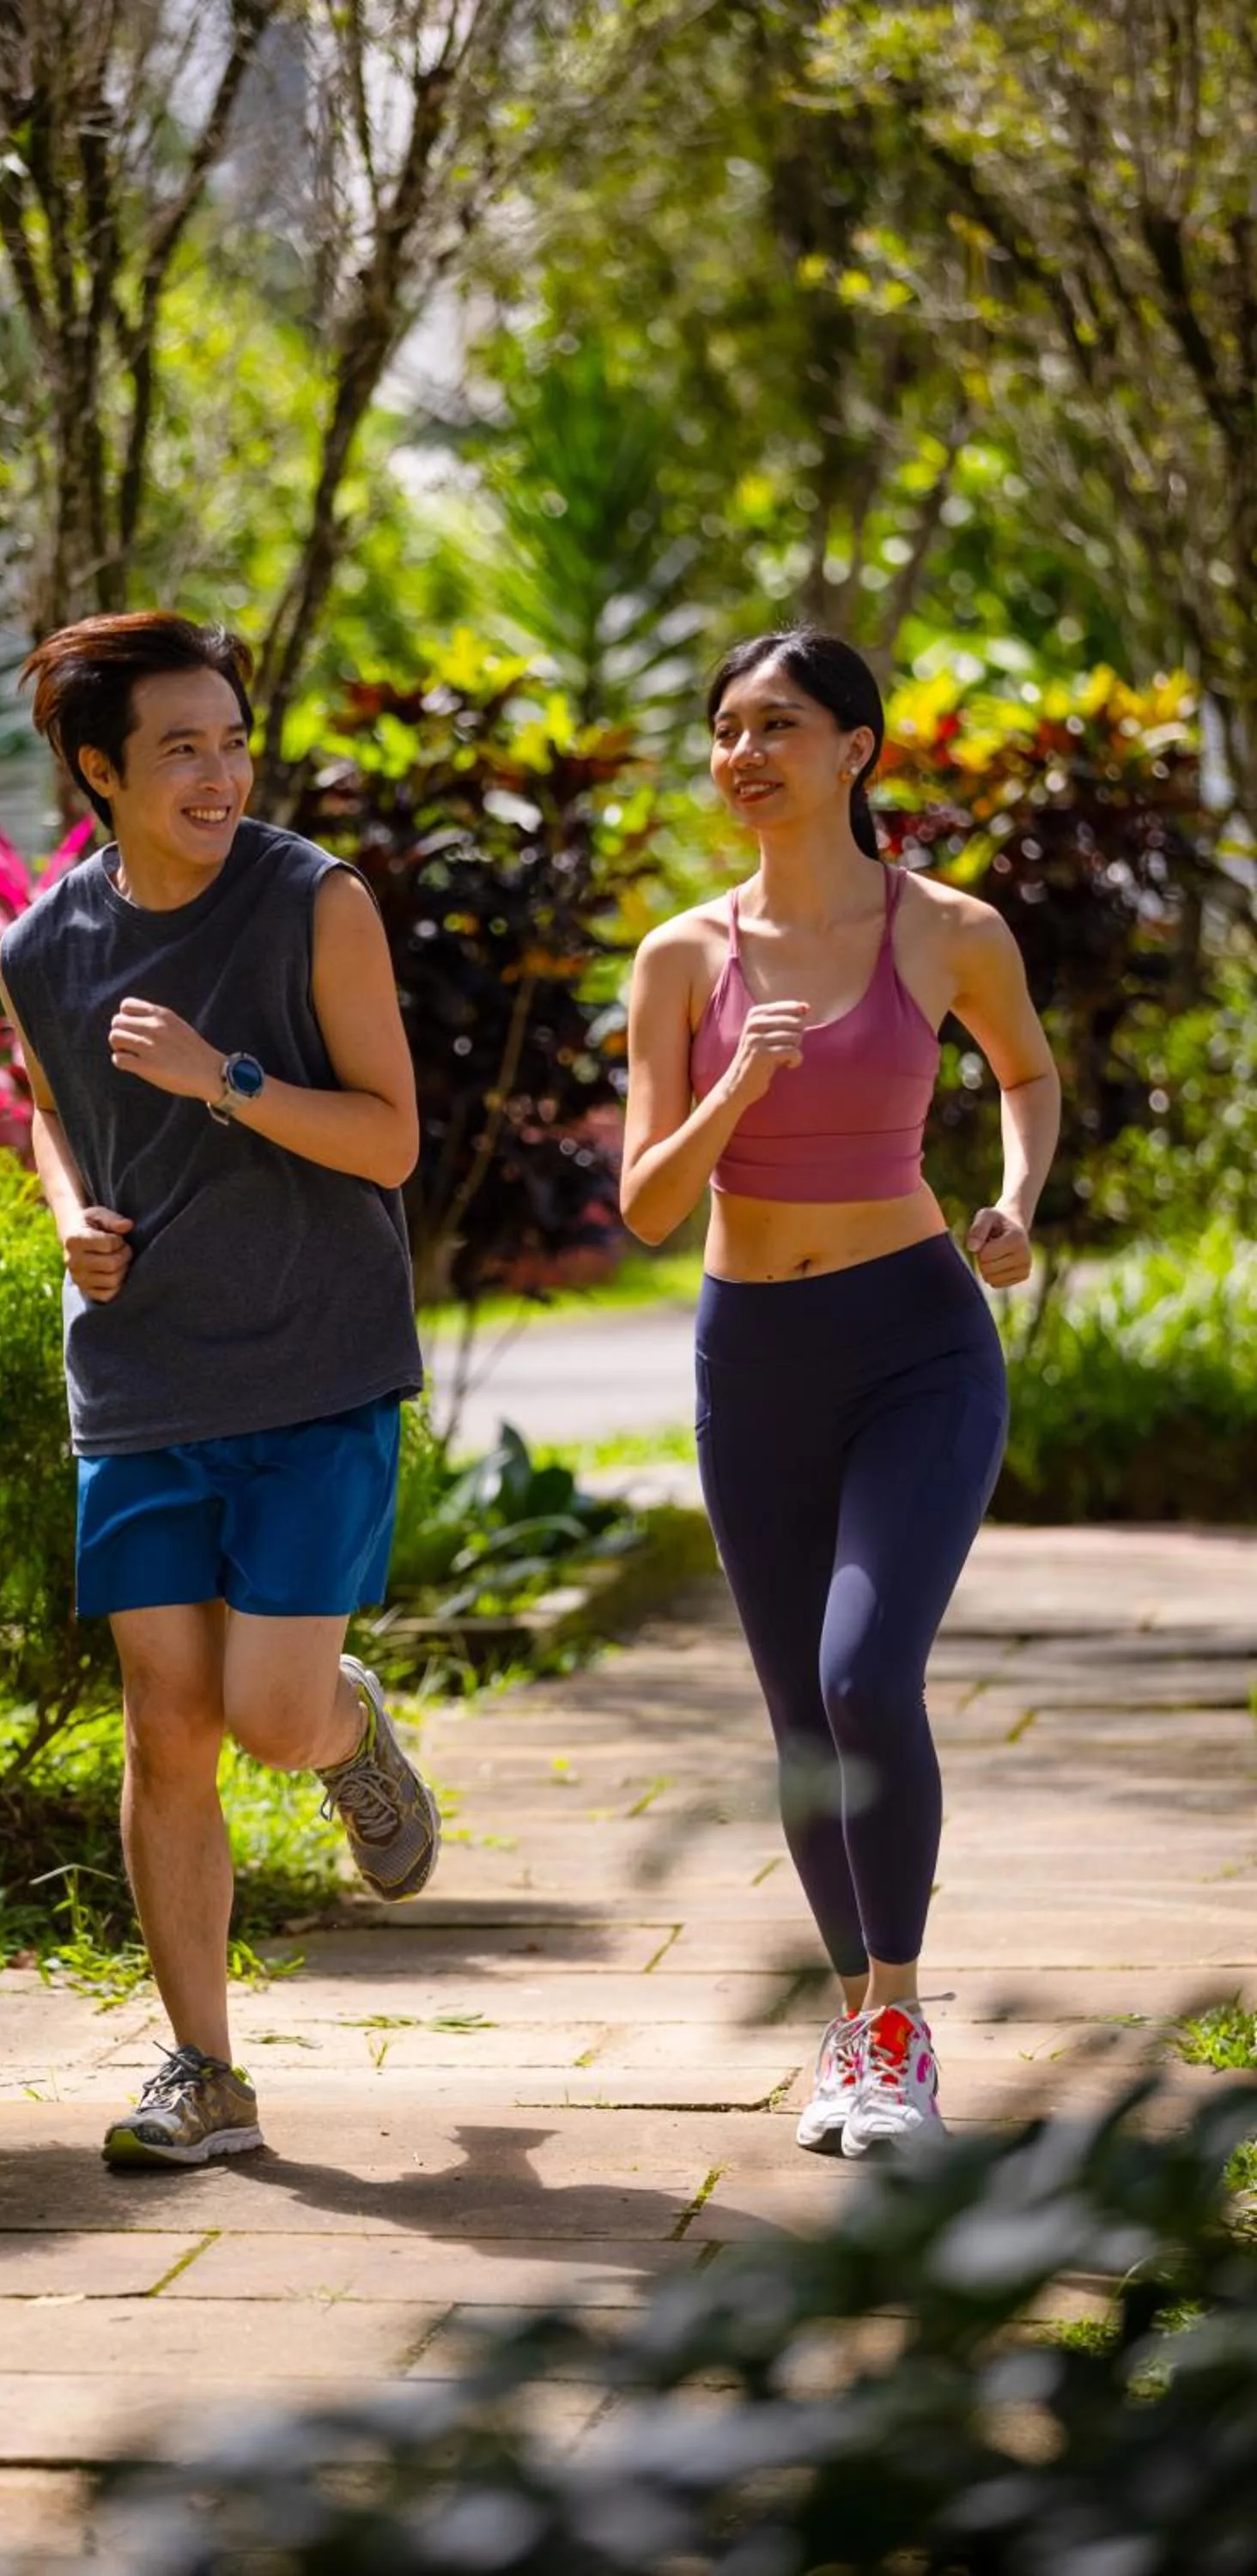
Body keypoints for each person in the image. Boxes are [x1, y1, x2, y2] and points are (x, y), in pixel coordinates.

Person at [0, 609, 440, 2172]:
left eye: (232, 739)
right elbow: (49, 1111)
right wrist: (65, 1217)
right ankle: (205, 2071)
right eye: (179, 747)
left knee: (264, 1715)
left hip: (316, 1361)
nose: (219, 772)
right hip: (140, 1379)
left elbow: (389, 1142)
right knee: (166, 1726)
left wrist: (226, 1080)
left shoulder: (313, 905)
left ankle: (346, 1728)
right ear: (97, 770)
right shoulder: (39, 947)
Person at [620, 629, 1060, 2158]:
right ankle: (854, 2029)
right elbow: (647, 1208)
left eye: (779, 726)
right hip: (754, 1358)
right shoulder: (683, 958)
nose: (745, 755)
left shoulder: (946, 932)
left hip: (918, 1342)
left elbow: (1026, 1073)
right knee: (803, 1714)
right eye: (725, 729)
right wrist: (738, 1087)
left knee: (867, 1676)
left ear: (857, 750)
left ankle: (896, 2023)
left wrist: (1014, 1200)